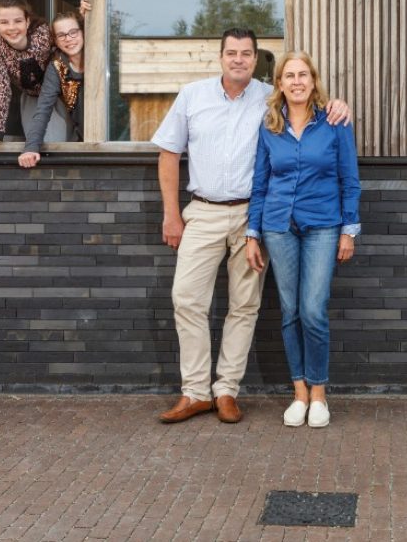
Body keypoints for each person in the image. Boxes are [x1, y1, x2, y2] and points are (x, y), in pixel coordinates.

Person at [151, 29, 352, 425]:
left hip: (251, 215)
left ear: (256, 60)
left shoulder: (268, 97)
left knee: (245, 305)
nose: (239, 59)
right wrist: (172, 214)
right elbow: (169, 152)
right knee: (186, 299)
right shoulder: (192, 96)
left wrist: (339, 105)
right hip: (204, 211)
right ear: (220, 56)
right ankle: (194, 391)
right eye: (232, 53)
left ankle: (226, 390)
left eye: (246, 53)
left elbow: (312, 105)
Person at [245, 51, 360, 429]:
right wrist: (252, 233)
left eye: (303, 75)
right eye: (289, 75)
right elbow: (260, 183)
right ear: (279, 83)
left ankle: (319, 393)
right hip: (278, 226)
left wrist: (349, 229)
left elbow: (349, 179)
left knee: (313, 309)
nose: (296, 81)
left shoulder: (335, 122)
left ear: (313, 80)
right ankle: (298, 392)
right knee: (290, 310)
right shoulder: (269, 125)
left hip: (322, 225)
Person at [18, 0, 91, 168]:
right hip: (80, 139)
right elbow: (43, 109)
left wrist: (89, 10)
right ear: (56, 41)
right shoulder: (57, 66)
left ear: (83, 33)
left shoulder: (99, 57)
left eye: (73, 32)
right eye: (61, 35)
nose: (68, 39)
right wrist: (31, 147)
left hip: (112, 138)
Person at [0, 0, 55, 144]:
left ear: (27, 22)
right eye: (4, 22)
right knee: (35, 142)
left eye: (18, 21)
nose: (12, 28)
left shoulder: (44, 34)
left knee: (59, 140)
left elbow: (71, 42)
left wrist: (83, 15)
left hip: (58, 95)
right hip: (30, 96)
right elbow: (1, 86)